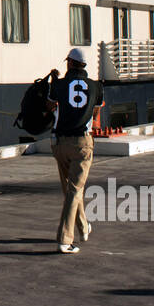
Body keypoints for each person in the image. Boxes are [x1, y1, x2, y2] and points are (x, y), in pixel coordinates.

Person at [47, 47, 104, 254]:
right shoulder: (96, 86)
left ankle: (83, 226)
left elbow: (50, 106)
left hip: (59, 143)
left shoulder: (59, 84)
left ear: (70, 63)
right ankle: (65, 239)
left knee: (70, 190)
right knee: (74, 190)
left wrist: (55, 82)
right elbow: (96, 110)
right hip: (82, 143)